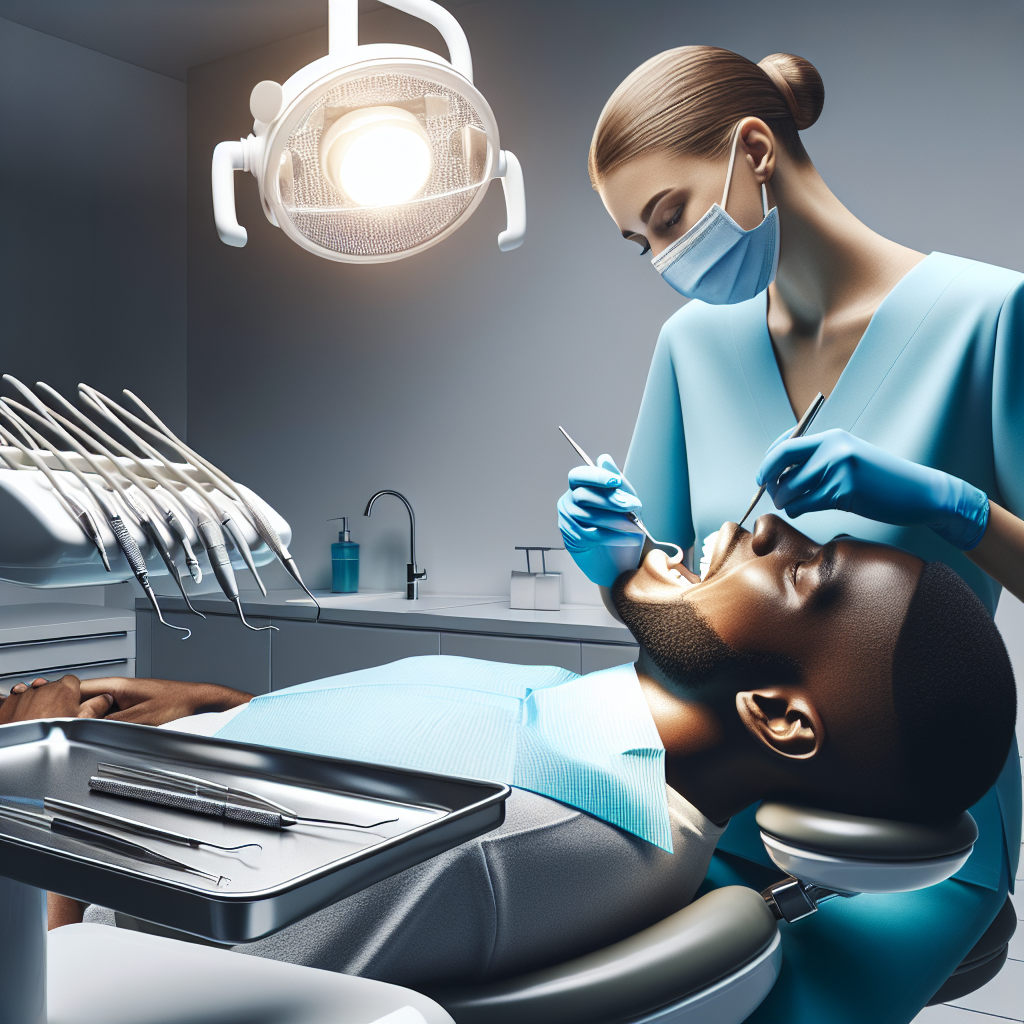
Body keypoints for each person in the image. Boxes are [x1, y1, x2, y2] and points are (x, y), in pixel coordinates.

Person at [12, 517, 1014, 1001]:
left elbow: (96, 983)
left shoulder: (491, 836)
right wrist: (221, 713)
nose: (762, 525)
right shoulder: (597, 737)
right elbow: (379, 743)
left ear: (779, 717)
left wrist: (40, 773)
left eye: (799, 570)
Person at [557, 45, 1022, 1022]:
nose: (665, 260)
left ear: (754, 150)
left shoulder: (988, 316)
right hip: (720, 803)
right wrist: (618, 566)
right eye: (641, 243)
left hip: (915, 825)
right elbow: (681, 625)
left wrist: (949, 503)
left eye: (670, 217)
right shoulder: (693, 345)